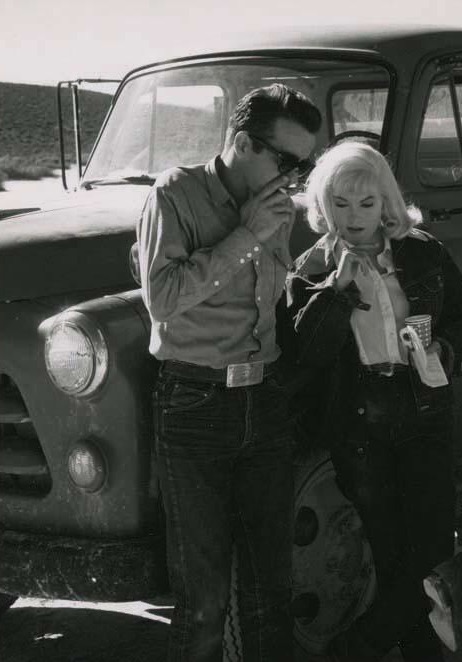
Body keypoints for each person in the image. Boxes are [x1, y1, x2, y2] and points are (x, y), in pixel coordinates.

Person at [136, 83, 321, 660]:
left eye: (305, 165)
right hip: (194, 403)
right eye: (287, 161)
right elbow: (162, 299)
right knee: (202, 599)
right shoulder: (177, 192)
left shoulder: (279, 207)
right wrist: (247, 236)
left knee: (271, 585)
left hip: (261, 401)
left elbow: (276, 296)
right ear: (242, 142)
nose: (294, 177)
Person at [285, 141, 462, 662]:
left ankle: (353, 651)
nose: (353, 218)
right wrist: (333, 291)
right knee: (394, 556)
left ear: (386, 203)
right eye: (341, 204)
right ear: (323, 205)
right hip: (359, 421)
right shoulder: (310, 267)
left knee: (435, 551)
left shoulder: (423, 251)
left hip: (422, 408)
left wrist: (443, 347)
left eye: (366, 204)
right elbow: (303, 354)